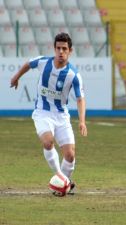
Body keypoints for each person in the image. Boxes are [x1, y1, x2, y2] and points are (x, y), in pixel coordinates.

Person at [10, 32, 87, 193]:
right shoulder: (44, 62)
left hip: (61, 116)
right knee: (47, 142)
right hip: (42, 112)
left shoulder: (74, 75)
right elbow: (28, 64)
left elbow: (80, 99)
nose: (61, 52)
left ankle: (62, 185)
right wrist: (16, 77)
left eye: (64, 49)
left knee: (70, 155)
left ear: (70, 51)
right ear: (54, 48)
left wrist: (81, 121)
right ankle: (61, 178)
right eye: (58, 48)